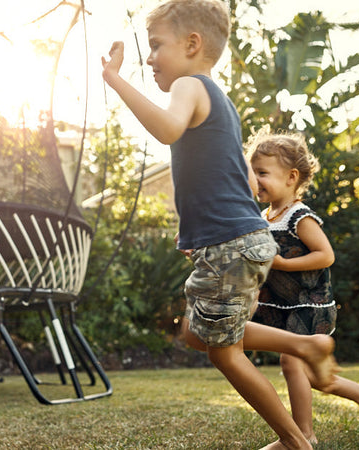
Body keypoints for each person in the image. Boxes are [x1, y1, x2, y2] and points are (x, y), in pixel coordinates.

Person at [102, 1, 338, 448]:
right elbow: (242, 179)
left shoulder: (190, 86)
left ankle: (295, 442)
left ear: (193, 44)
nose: (149, 58)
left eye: (156, 46)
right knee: (196, 332)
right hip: (233, 239)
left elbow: (168, 130)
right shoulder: (220, 101)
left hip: (232, 242)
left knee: (223, 352)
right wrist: (198, 226)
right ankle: (303, 346)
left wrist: (114, 80)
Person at [248, 131, 359, 444]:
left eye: (262, 173)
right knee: (310, 374)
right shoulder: (264, 216)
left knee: (291, 362)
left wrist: (283, 264)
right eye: (252, 172)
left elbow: (325, 256)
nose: (254, 179)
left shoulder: (299, 216)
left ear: (291, 177)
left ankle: (303, 436)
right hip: (278, 305)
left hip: (308, 304)